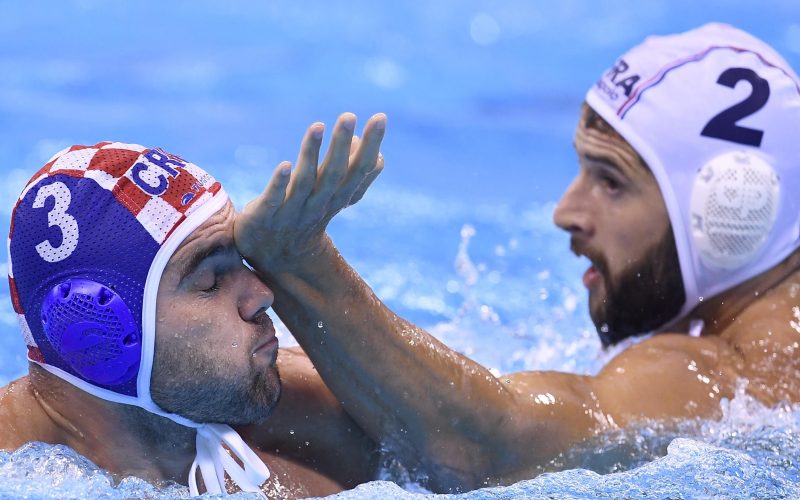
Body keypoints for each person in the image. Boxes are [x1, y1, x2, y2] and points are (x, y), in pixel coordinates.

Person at [234, 23, 800, 493]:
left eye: (611, 181)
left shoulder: (729, 379)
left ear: (731, 210)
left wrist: (299, 261)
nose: (567, 211)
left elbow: (484, 451)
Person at [0, 113, 388, 498]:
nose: (263, 294)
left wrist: (306, 261)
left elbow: (427, 431)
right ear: (100, 331)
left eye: (242, 260)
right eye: (211, 282)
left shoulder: (286, 408)